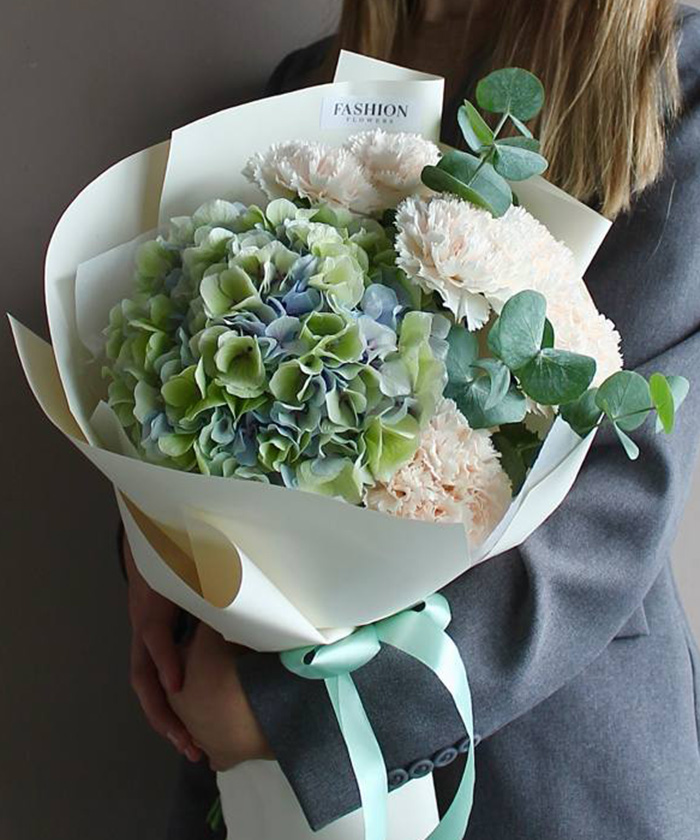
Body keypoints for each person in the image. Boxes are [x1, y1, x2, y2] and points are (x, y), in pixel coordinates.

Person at [122, 1, 700, 838]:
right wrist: (154, 557)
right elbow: (183, 358)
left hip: (548, 756)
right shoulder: (302, 82)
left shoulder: (676, 83)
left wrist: (300, 712)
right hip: (235, 720)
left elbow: (612, 499)